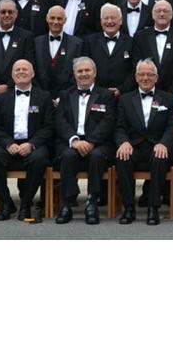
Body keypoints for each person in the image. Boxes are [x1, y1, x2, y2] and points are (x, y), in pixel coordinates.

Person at [0, 59, 54, 221]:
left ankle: (26, 204)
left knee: (39, 159)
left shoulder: (44, 96)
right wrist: (8, 143)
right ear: (12, 75)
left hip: (33, 143)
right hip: (8, 142)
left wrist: (31, 144)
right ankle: (7, 203)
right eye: (17, 70)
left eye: (25, 69)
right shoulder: (2, 98)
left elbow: (49, 126)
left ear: (33, 74)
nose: (21, 72)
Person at [113, 59, 173, 225]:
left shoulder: (169, 99)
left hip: (157, 144)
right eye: (141, 74)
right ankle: (129, 208)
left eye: (150, 74)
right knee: (122, 158)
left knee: (159, 158)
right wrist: (124, 142)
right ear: (136, 77)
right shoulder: (125, 99)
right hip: (133, 145)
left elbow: (172, 127)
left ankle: (153, 208)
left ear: (156, 77)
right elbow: (119, 127)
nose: (145, 78)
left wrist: (164, 143)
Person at [53, 57, 117, 225]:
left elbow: (108, 121)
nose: (83, 74)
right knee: (68, 156)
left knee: (96, 156)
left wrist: (91, 141)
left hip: (98, 143)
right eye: (80, 71)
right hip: (72, 142)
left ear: (95, 73)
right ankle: (67, 202)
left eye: (87, 70)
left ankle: (92, 201)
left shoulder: (106, 95)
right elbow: (60, 120)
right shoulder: (65, 95)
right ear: (74, 75)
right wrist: (74, 140)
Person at [133, 0, 173, 95]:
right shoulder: (140, 37)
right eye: (158, 11)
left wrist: (171, 94)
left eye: (165, 11)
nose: (162, 14)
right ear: (152, 15)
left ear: (171, 15)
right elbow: (137, 63)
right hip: (147, 90)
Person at [0, 0, 36, 96]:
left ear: (16, 14)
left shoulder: (26, 36)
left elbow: (29, 63)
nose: (7, 15)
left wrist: (8, 86)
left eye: (10, 12)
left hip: (16, 90)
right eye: (3, 12)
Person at [83, 3, 137, 98]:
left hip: (124, 97)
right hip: (96, 96)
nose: (109, 21)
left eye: (113, 18)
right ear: (101, 21)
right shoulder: (89, 42)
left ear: (120, 21)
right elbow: (86, 68)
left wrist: (121, 89)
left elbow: (134, 70)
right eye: (106, 18)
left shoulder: (131, 42)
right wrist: (98, 90)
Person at [33, 5, 83, 106]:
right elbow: (33, 71)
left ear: (65, 20)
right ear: (47, 19)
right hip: (41, 99)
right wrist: (43, 97)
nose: (55, 22)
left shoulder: (76, 43)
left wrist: (63, 97)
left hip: (67, 99)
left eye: (59, 18)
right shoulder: (36, 42)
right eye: (52, 18)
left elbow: (76, 73)